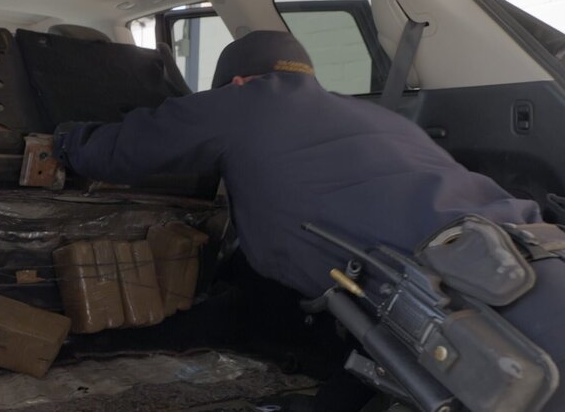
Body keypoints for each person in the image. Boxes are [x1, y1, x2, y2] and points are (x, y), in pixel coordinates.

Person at [53, 30, 565, 410]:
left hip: (460, 296)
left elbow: (123, 151)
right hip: (527, 254)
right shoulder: (376, 116)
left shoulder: (247, 100)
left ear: (235, 82)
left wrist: (65, 140)